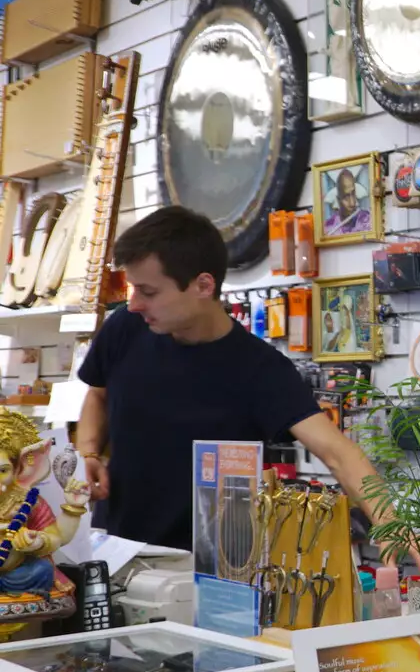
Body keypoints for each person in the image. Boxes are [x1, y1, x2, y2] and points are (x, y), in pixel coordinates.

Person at [75, 206, 389, 552]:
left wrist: (395, 528)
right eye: (134, 289)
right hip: (113, 548)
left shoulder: (259, 369)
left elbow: (338, 453)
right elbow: (98, 395)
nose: (134, 304)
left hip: (208, 570)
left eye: (148, 292)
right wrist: (87, 453)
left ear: (203, 285)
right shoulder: (124, 329)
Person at [325, 168, 372, 237]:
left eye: (353, 194)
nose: (352, 203)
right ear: (338, 200)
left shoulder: (367, 220)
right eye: (346, 197)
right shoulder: (329, 227)